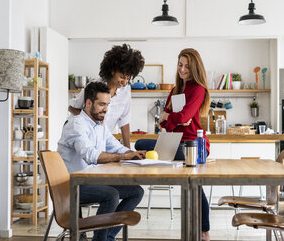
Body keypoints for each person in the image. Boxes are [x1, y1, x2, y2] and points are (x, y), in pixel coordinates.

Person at [135, 48, 211, 241]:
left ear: (195, 68)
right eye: (180, 64)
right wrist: (172, 119)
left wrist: (171, 117)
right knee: (141, 143)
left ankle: (204, 231)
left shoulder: (198, 89)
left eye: (187, 66)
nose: (182, 69)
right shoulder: (176, 90)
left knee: (195, 184)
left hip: (192, 144)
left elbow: (184, 118)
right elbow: (162, 122)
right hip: (174, 140)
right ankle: (203, 232)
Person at [58, 81, 146, 241]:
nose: (106, 109)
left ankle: (107, 237)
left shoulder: (99, 125)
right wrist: (123, 157)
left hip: (90, 181)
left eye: (107, 104)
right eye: (102, 104)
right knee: (111, 195)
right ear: (89, 103)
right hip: (72, 184)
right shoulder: (76, 124)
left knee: (136, 191)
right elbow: (90, 155)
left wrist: (133, 154)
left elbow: (115, 146)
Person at [69, 43, 145, 148]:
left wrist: (128, 151)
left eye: (128, 78)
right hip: (84, 139)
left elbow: (124, 121)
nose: (124, 82)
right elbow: (72, 108)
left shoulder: (126, 90)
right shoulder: (93, 87)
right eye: (122, 77)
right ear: (112, 70)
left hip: (103, 140)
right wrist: (92, 120)